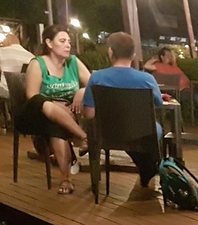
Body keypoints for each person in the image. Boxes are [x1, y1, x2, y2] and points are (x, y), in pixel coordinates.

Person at [82, 33, 163, 189]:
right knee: (155, 129)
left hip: (107, 133)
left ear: (110, 52)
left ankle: (145, 168)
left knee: (123, 130)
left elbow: (89, 114)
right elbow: (158, 104)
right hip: (142, 132)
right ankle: (150, 167)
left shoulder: (96, 77)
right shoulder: (147, 79)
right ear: (133, 54)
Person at [17, 25, 91, 195]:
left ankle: (66, 180)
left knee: (56, 128)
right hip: (37, 112)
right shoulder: (38, 63)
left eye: (69, 42)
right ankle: (83, 136)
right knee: (46, 106)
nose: (68, 45)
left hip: (64, 116)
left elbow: (93, 84)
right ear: (49, 43)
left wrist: (81, 91)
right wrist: (55, 104)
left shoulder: (73, 62)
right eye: (62, 41)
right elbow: (32, 96)